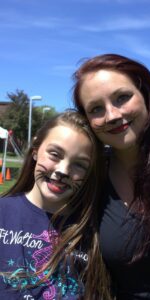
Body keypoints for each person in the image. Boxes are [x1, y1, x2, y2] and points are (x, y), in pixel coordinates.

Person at [72, 53, 150, 300]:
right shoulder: (90, 179)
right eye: (96, 109)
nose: (112, 115)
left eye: (122, 98)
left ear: (146, 95)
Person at [0, 110, 112, 300]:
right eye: (54, 154)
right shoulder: (3, 212)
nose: (63, 171)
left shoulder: (94, 229)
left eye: (79, 164)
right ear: (35, 150)